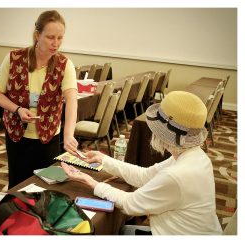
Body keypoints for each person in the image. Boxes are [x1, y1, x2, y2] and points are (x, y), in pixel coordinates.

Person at [62, 91, 223, 235]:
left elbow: (130, 204)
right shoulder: (195, 155)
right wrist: (103, 159)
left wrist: (90, 181)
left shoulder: (175, 176)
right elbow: (144, 175)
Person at [0, 10, 78, 189]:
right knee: (18, 185)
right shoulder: (14, 58)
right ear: (37, 35)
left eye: (60, 38)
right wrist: (17, 109)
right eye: (50, 37)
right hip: (17, 135)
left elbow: (71, 100)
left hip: (49, 137)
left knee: (47, 187)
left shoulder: (65, 65)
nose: (56, 43)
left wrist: (68, 134)